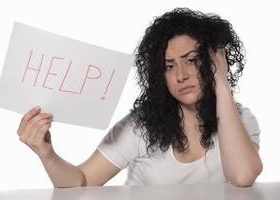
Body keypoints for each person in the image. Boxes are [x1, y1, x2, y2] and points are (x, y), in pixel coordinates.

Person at [17, 8, 263, 187]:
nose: (181, 75)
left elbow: (242, 176)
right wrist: (47, 155)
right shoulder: (141, 125)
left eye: (191, 60)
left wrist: (221, 82)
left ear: (212, 62)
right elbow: (81, 182)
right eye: (168, 66)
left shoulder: (240, 119)